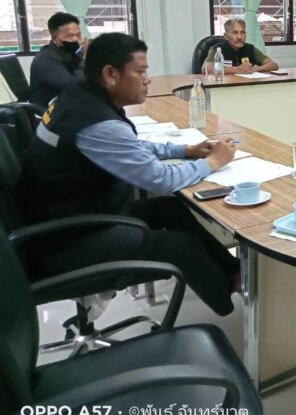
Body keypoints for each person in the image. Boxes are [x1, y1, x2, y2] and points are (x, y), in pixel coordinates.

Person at [18, 33, 242, 316]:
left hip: (67, 216)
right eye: (141, 71)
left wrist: (185, 150)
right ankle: (229, 300)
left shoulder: (79, 97)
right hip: (65, 242)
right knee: (179, 245)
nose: (148, 80)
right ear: (110, 74)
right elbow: (161, 179)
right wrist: (212, 162)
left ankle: (235, 273)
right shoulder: (97, 122)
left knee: (170, 209)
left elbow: (126, 147)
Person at [29, 12, 86, 107]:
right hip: (47, 112)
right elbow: (74, 86)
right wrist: (85, 59)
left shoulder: (72, 52)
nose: (76, 39)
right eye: (70, 36)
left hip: (69, 105)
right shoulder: (45, 59)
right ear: (55, 39)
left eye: (78, 35)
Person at [213, 18, 279, 75]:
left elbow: (273, 65)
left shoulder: (250, 48)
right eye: (235, 33)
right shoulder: (217, 49)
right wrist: (237, 69)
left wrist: (254, 69)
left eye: (242, 33)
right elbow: (208, 67)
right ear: (226, 36)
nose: (239, 37)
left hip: (247, 84)